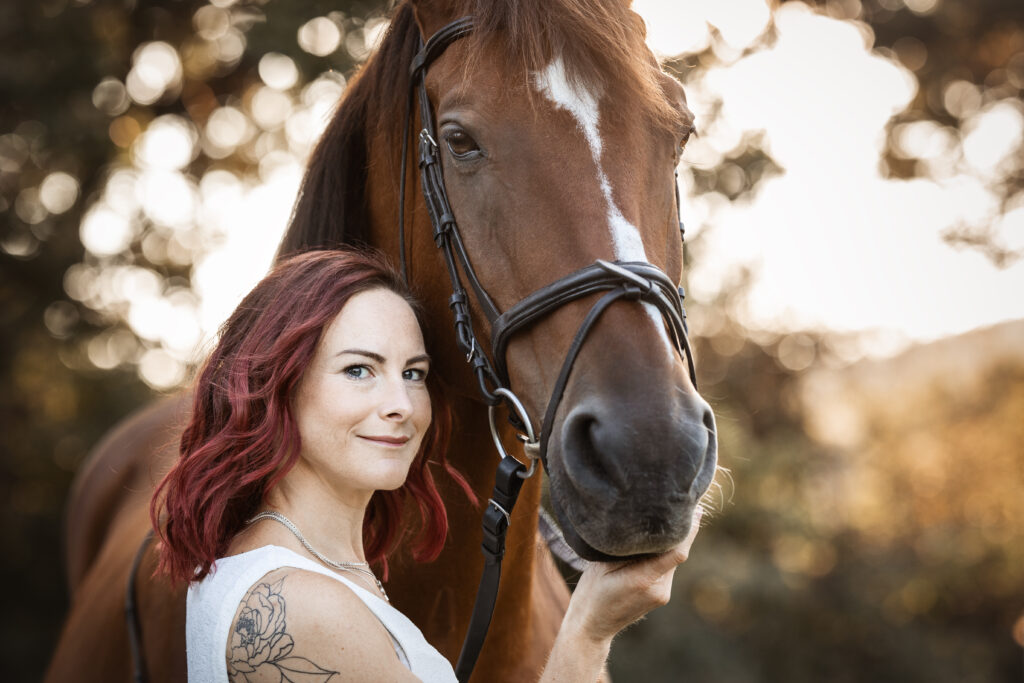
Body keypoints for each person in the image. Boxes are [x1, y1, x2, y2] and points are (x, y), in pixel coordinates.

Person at [151, 248, 702, 682]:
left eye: (412, 373)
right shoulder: (300, 607)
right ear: (276, 386)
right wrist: (587, 629)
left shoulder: (309, 566)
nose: (401, 405)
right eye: (359, 370)